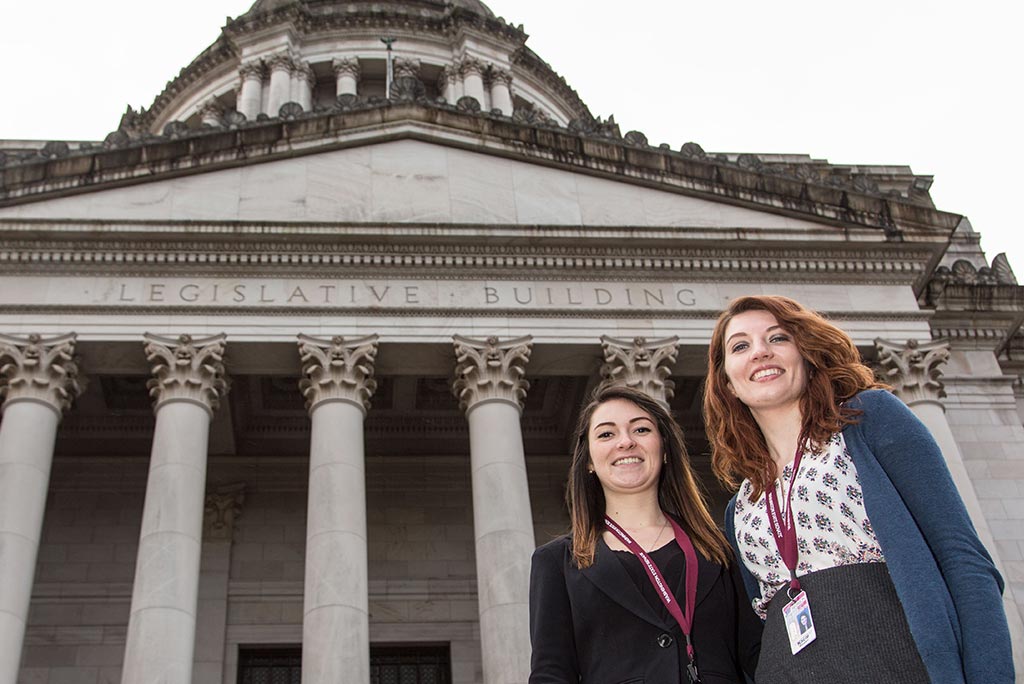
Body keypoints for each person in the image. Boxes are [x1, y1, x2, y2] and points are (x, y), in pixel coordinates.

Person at [702, 294, 1013, 683]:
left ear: (806, 352)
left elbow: (962, 559)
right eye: (741, 346)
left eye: (778, 338)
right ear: (727, 382)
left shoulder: (870, 419)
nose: (760, 352)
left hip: (897, 664)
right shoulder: (742, 505)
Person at [529, 384, 761, 684]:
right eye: (606, 434)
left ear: (664, 449)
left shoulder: (723, 548)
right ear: (588, 460)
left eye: (640, 430)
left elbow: (758, 654)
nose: (625, 442)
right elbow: (552, 674)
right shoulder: (556, 563)